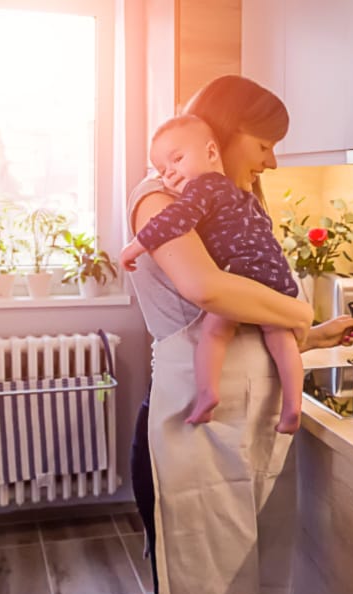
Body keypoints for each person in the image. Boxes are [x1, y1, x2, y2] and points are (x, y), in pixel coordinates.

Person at [124, 74, 353, 594]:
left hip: (250, 433)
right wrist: (299, 310)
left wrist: (315, 334)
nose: (272, 162)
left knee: (259, 578)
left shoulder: (235, 207)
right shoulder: (159, 195)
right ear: (222, 136)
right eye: (264, 145)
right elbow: (207, 289)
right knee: (207, 584)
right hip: (195, 429)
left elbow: (250, 321)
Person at [121, 115, 304, 434]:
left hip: (240, 271)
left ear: (210, 152)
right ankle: (292, 407)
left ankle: (207, 394)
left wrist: (136, 245)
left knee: (215, 331)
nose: (170, 173)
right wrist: (301, 316)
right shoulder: (244, 195)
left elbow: (175, 221)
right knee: (280, 336)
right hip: (272, 271)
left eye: (177, 159)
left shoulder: (203, 186)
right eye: (163, 170)